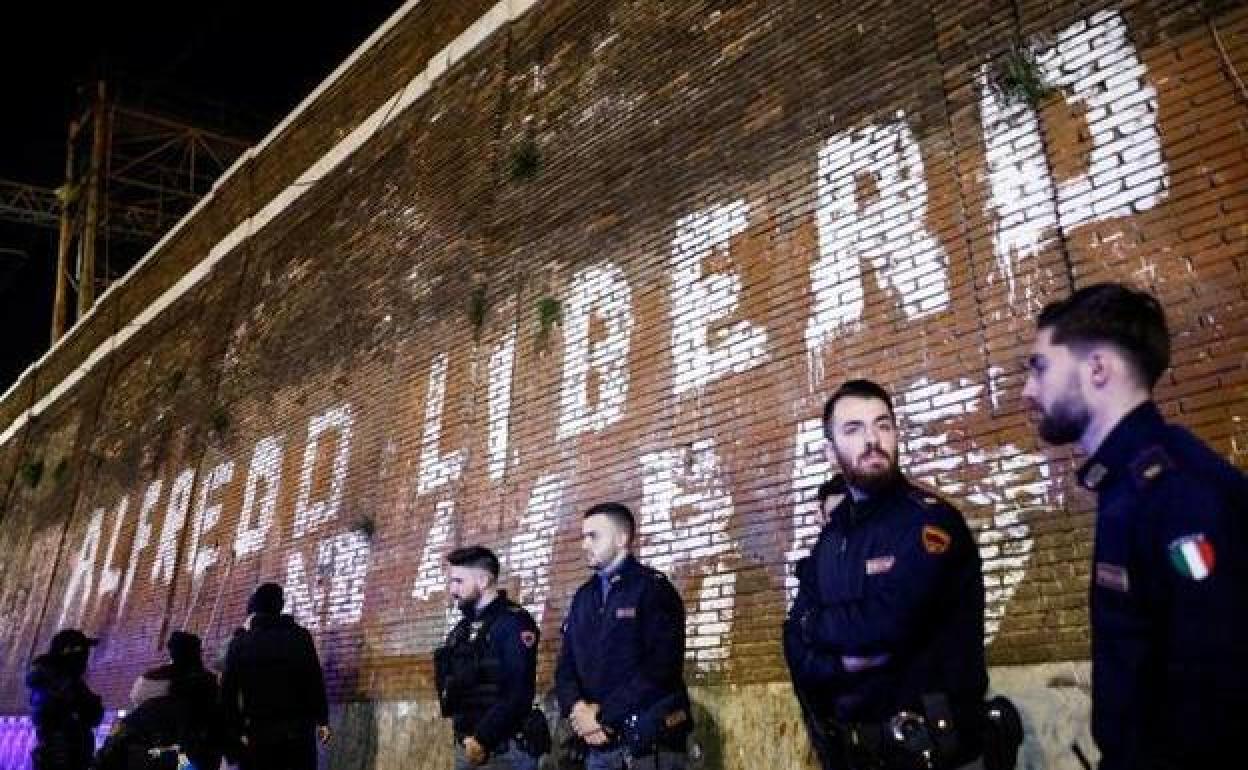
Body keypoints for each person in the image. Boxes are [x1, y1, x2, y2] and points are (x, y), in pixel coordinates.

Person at [1022, 282, 1247, 769]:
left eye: (1039, 367)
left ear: (1097, 368)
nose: (1028, 390)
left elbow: (1214, 691)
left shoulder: (1178, 494)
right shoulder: (1130, 484)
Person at [784, 379, 988, 769]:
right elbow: (794, 642)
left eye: (883, 425)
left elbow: (889, 623)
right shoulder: (830, 538)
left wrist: (814, 627)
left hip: (932, 751)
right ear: (830, 452)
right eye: (853, 429)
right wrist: (838, 663)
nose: (872, 440)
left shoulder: (928, 521)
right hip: (855, 752)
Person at [554, 502, 693, 770]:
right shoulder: (583, 597)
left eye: (593, 536)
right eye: (583, 537)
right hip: (595, 742)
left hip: (645, 744)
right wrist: (579, 711)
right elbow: (566, 667)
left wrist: (603, 715)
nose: (584, 544)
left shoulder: (653, 589)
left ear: (621, 539)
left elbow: (662, 669)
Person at [433, 545, 545, 769]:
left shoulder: (514, 623)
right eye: (451, 582)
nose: (452, 590)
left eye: (458, 581)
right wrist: (467, 737)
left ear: (483, 581)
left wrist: (482, 738)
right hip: (468, 746)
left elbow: (518, 692)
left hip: (505, 750)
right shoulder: (462, 630)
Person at [221, 582, 331, 770]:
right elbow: (314, 680)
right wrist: (322, 720)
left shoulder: (240, 643)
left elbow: (228, 693)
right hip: (298, 733)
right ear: (280, 605)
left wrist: (236, 731)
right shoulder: (300, 637)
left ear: (255, 608)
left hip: (258, 733)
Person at [26, 628, 104, 770]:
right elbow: (91, 716)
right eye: (84, 652)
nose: (87, 659)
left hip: (65, 757)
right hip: (63, 760)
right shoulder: (59, 682)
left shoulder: (57, 679)